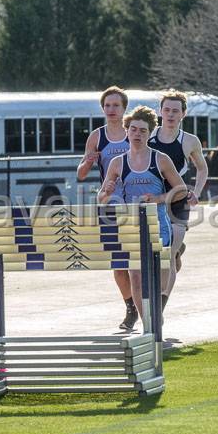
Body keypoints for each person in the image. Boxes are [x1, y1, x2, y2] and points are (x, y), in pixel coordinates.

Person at [99, 106, 188, 329]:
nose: (137, 134)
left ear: (150, 134)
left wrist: (158, 198)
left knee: (157, 280)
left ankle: (154, 314)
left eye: (143, 131)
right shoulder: (118, 163)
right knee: (136, 277)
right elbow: (101, 198)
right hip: (132, 226)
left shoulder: (161, 159)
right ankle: (149, 324)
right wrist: (107, 191)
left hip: (159, 225)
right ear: (126, 131)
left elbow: (181, 190)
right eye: (134, 130)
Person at [77, 86, 136, 329]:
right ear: (103, 108)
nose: (111, 110)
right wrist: (89, 161)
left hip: (138, 203)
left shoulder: (135, 131)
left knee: (139, 260)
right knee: (119, 262)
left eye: (116, 106)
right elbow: (80, 174)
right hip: (110, 205)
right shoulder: (97, 136)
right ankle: (131, 307)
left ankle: (147, 304)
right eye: (107, 105)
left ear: (124, 109)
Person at [149, 90, 208, 311]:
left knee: (168, 255)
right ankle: (176, 250)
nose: (170, 115)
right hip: (153, 200)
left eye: (175, 111)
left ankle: (161, 305)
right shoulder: (149, 137)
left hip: (178, 200)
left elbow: (202, 168)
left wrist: (197, 192)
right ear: (160, 112)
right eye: (167, 110)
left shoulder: (189, 141)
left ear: (183, 114)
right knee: (161, 253)